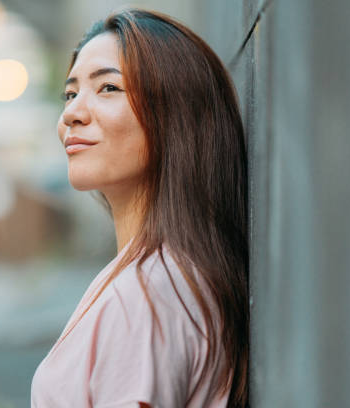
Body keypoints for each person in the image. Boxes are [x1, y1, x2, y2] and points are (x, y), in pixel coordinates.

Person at [31, 7, 249, 408]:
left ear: (174, 113)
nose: (71, 114)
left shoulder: (147, 297)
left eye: (108, 88)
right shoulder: (161, 276)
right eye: (70, 92)